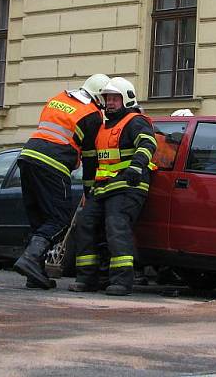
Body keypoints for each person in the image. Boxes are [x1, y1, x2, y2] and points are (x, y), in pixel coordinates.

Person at [13, 74, 109, 289]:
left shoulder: (59, 98)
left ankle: (34, 273)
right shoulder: (92, 115)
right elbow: (91, 156)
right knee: (59, 219)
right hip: (53, 163)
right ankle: (30, 258)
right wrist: (89, 188)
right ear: (99, 97)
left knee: (40, 219)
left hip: (28, 156)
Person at [70, 77, 157, 295]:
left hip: (129, 186)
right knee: (85, 223)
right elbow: (91, 160)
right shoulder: (101, 127)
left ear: (126, 99)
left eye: (115, 98)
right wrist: (88, 190)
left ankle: (121, 281)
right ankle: (87, 278)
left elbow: (148, 144)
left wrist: (136, 167)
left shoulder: (136, 121)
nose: (109, 102)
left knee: (116, 226)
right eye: (107, 98)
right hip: (103, 189)